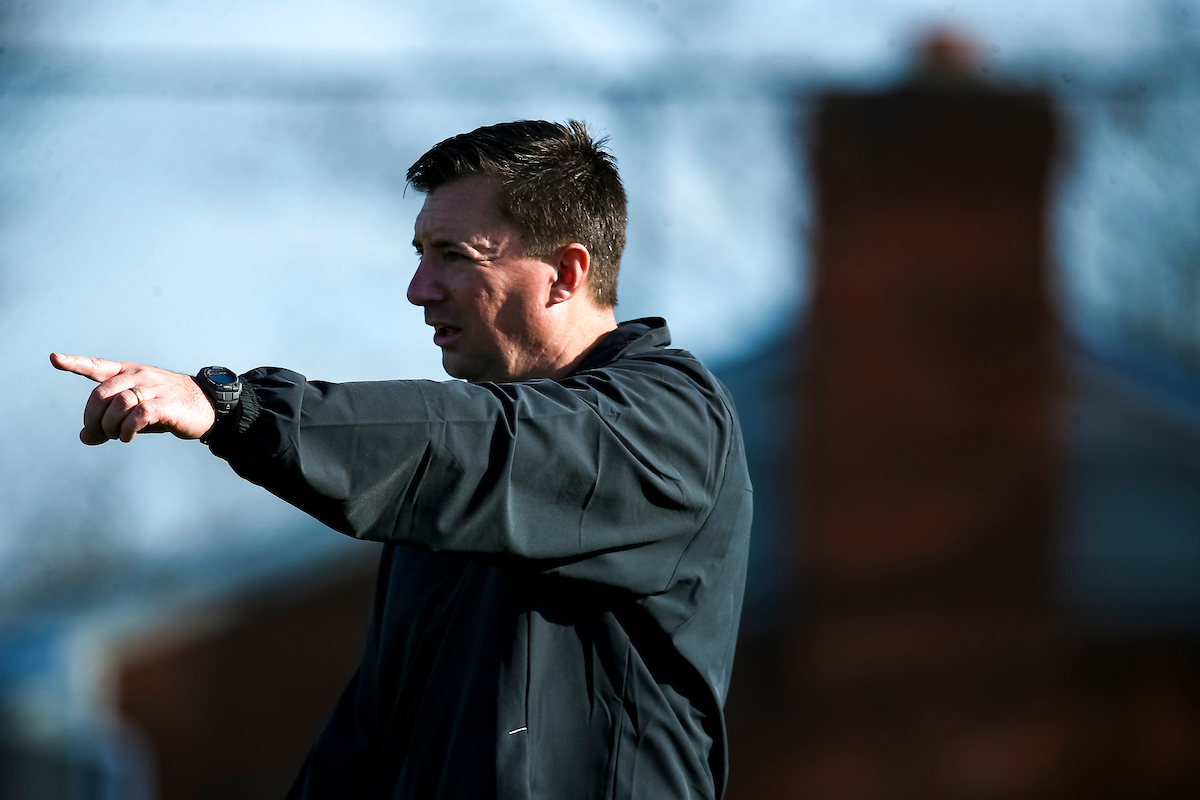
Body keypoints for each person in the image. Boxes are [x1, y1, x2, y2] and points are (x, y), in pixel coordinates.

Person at [52, 120, 752, 800]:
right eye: (420, 253)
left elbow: (490, 441)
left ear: (565, 274)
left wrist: (240, 409)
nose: (419, 288)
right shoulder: (447, 489)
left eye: (455, 255)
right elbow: (369, 746)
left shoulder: (670, 422)